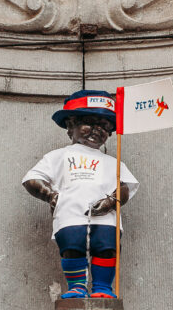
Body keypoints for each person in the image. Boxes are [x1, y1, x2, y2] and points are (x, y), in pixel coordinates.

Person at [22, 90, 138, 299]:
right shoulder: (58, 156)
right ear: (70, 125)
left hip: (106, 217)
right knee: (72, 246)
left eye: (104, 127)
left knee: (106, 248)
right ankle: (77, 286)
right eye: (90, 123)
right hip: (70, 213)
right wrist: (49, 195)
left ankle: (102, 287)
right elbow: (32, 179)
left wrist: (112, 201)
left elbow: (125, 187)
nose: (97, 130)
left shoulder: (114, 162)